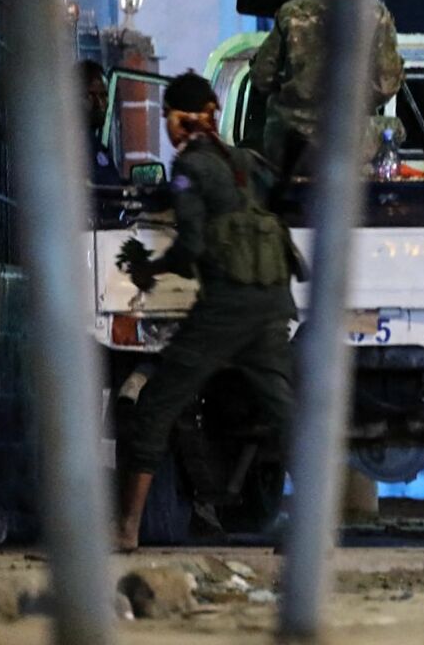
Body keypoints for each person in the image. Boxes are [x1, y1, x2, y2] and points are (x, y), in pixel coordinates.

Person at [113, 72, 296, 552]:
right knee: (286, 411)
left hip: (226, 306)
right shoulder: (240, 159)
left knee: (157, 405)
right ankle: (315, 524)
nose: (167, 127)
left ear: (182, 116)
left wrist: (151, 269)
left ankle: (127, 529)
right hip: (272, 299)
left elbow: (191, 242)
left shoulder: (189, 167)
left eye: (167, 116)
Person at [249, 0, 404, 179]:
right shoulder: (375, 16)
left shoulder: (291, 12)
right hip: (343, 144)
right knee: (394, 129)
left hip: (288, 148)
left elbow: (261, 77)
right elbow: (386, 85)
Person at [79, 59, 120, 185]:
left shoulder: (94, 143)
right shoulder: (75, 146)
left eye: (105, 96)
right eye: (100, 95)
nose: (105, 103)